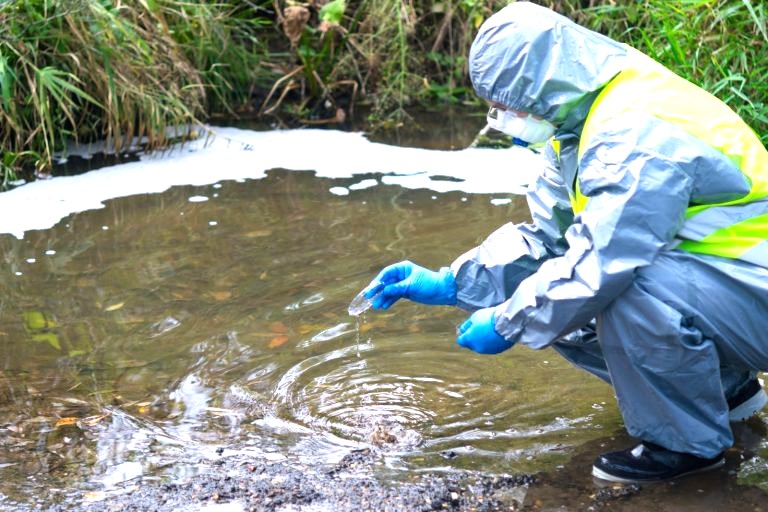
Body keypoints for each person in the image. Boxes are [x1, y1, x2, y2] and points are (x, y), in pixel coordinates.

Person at [358, 1, 768, 483]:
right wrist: (451, 281)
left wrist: (508, 321)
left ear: (540, 87)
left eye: (505, 106)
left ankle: (688, 450)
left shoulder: (631, 130)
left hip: (753, 288)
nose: (501, 119)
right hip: (730, 289)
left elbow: (604, 260)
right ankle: (724, 392)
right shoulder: (577, 124)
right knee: (559, 299)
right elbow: (550, 240)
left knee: (618, 289)